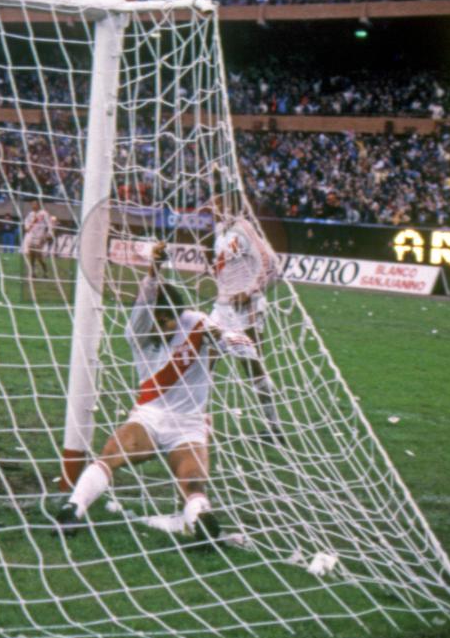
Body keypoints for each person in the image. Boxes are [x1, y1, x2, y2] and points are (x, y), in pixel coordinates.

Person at [52, 243, 252, 544]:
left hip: (189, 424)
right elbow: (146, 298)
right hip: (149, 417)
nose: (168, 326)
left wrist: (224, 337)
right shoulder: (138, 331)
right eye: (161, 320)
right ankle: (73, 510)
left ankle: (200, 521)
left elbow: (244, 347)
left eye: (171, 319)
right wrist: (153, 270)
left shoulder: (196, 322)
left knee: (193, 483)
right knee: (110, 455)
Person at [207, 194, 283, 442]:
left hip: (246, 309)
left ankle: (274, 427)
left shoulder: (244, 229)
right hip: (222, 307)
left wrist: (249, 291)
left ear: (230, 206)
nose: (212, 208)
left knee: (253, 366)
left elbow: (272, 264)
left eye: (216, 203)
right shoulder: (219, 232)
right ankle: (197, 422)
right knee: (203, 359)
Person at [22, 199, 56, 277]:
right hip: (31, 236)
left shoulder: (44, 213)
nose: (33, 206)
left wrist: (49, 234)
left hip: (40, 236)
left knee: (38, 255)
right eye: (32, 204)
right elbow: (26, 223)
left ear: (38, 205)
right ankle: (33, 272)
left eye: (34, 204)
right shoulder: (30, 214)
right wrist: (26, 227)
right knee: (31, 255)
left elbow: (49, 224)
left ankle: (45, 270)